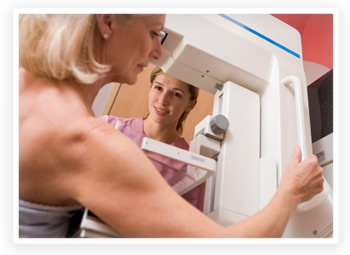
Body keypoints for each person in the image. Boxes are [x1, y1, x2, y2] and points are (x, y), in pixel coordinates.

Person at [19, 14, 324, 238]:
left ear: (189, 104)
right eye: (154, 32)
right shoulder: (90, 142)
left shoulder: (21, 83)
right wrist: (291, 193)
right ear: (107, 21)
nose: (157, 52)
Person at [99, 66, 205, 210]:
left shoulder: (189, 166)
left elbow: (186, 222)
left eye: (176, 94)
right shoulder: (109, 126)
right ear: (150, 89)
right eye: (158, 88)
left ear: (190, 105)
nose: (162, 100)